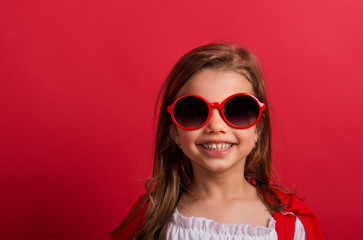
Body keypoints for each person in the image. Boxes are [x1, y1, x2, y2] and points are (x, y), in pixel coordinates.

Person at [110, 42, 323, 240]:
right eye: (194, 112)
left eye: (237, 111)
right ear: (173, 130)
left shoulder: (293, 223)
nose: (216, 126)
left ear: (258, 128)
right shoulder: (151, 217)